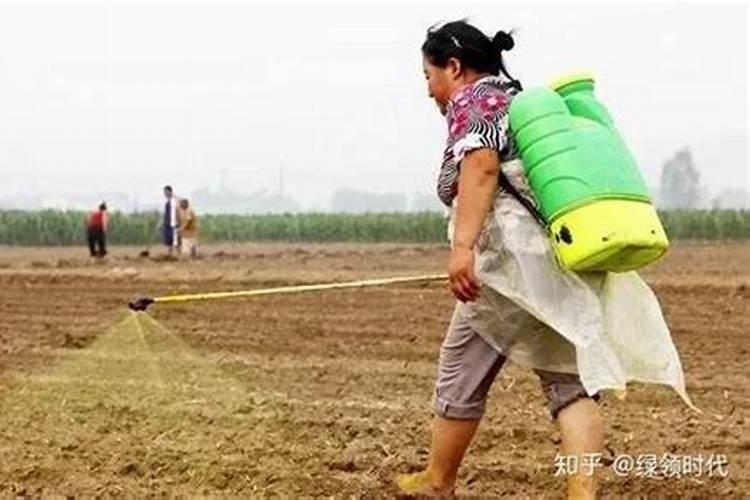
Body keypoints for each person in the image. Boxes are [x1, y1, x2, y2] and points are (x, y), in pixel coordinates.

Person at [395, 21, 692, 499]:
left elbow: (481, 167)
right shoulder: (520, 103)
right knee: (569, 384)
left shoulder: (476, 101)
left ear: (454, 67)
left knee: (460, 367)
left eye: (428, 76)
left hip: (510, 271)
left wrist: (461, 249)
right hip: (558, 264)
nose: (429, 90)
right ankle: (582, 495)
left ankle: (436, 480)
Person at [161, 185, 178, 256]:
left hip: (173, 223)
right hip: (167, 223)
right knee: (169, 240)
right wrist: (162, 222)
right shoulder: (167, 202)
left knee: (174, 239)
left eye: (166, 191)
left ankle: (178, 254)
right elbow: (166, 213)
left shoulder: (174, 200)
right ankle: (170, 254)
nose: (164, 193)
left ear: (169, 191)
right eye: (164, 192)